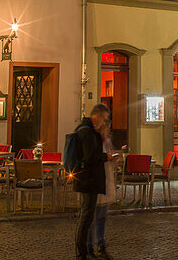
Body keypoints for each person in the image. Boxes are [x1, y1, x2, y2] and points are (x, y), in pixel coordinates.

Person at [72, 104, 110, 260]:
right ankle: (81, 253)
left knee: (86, 216)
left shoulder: (84, 130)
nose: (105, 122)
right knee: (86, 217)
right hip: (89, 181)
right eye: (105, 119)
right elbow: (90, 157)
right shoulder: (87, 132)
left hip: (87, 180)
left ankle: (84, 251)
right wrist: (105, 157)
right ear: (98, 116)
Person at [88, 116, 118, 260]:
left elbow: (108, 156)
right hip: (97, 183)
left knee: (102, 217)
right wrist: (107, 157)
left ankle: (100, 245)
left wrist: (114, 158)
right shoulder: (94, 140)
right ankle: (90, 246)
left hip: (105, 182)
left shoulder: (107, 141)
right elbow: (93, 158)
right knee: (92, 218)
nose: (108, 130)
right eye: (107, 127)